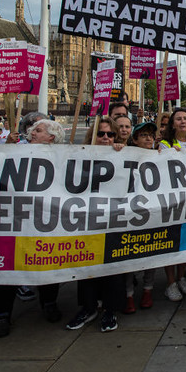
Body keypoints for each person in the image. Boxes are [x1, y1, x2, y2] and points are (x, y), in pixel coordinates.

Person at [0, 119, 67, 338]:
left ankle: (49, 303)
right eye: (33, 130)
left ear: (52, 137)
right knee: (8, 265)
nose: (32, 133)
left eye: (38, 130)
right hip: (16, 220)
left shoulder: (63, 156)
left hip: (46, 219)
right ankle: (2, 313)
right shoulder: (15, 151)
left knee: (48, 262)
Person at [66, 118, 124, 332]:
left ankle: (110, 311)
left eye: (110, 135)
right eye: (101, 134)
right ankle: (88, 307)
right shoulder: (80, 154)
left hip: (115, 218)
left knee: (113, 267)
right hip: (87, 219)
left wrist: (121, 151)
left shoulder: (122, 154)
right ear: (93, 136)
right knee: (87, 266)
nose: (106, 138)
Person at [158, 108, 186, 301]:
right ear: (172, 123)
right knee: (172, 240)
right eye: (179, 119)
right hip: (172, 200)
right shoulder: (165, 144)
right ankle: (170, 282)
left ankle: (182, 277)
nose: (183, 122)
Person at [122, 122, 159, 313]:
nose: (148, 139)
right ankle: (128, 294)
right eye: (143, 135)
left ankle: (147, 289)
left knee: (150, 253)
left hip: (151, 211)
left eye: (151, 136)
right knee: (128, 254)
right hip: (129, 212)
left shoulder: (159, 156)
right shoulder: (123, 156)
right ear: (134, 139)